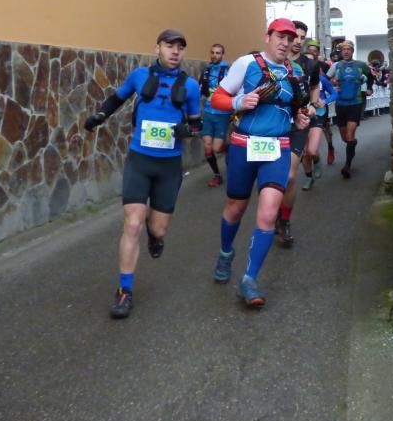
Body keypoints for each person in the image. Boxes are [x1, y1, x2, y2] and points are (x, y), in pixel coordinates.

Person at [84, 29, 202, 320]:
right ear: (157, 48)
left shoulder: (190, 87)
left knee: (157, 229)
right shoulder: (139, 76)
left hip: (168, 166)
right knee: (132, 224)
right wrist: (100, 115)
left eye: (180, 48)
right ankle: (124, 291)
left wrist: (186, 130)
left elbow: (197, 125)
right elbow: (116, 99)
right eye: (169, 46)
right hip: (139, 160)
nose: (175, 51)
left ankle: (156, 234)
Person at [208, 18, 310, 307]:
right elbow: (217, 97)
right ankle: (226, 253)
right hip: (244, 146)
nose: (285, 43)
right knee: (235, 208)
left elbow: (297, 108)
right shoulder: (246, 63)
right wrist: (238, 103)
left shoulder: (296, 71)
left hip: (278, 148)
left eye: (290, 39)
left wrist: (301, 118)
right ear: (268, 37)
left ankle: (250, 279)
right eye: (280, 36)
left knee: (267, 214)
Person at [276, 21, 319, 248]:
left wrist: (313, 105)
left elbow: (315, 87)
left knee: (291, 177)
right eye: (295, 36)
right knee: (273, 176)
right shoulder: (274, 60)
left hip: (298, 124)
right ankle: (272, 210)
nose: (299, 41)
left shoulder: (310, 64)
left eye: (303, 37)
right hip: (273, 125)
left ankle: (284, 220)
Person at [328, 41, 374, 179]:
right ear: (341, 52)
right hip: (340, 104)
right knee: (345, 138)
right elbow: (325, 79)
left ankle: (347, 166)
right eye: (344, 49)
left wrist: (369, 88)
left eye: (349, 49)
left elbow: (371, 76)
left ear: (352, 51)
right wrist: (332, 85)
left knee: (349, 135)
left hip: (356, 102)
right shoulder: (336, 66)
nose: (346, 51)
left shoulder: (361, 65)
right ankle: (352, 143)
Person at [198, 43, 232, 188]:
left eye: (218, 53)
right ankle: (217, 175)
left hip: (223, 114)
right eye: (212, 52)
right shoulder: (206, 70)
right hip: (208, 113)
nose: (215, 55)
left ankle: (229, 148)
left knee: (216, 148)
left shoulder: (228, 70)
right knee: (207, 147)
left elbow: (235, 89)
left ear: (222, 54)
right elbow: (200, 89)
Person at [302, 70, 337, 190]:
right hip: (301, 115)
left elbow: (334, 93)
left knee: (311, 151)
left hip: (318, 114)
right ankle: (308, 178)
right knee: (304, 151)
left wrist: (325, 101)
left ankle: (316, 161)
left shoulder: (321, 79)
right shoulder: (295, 78)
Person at [306, 39, 337, 165]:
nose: (312, 52)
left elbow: (334, 92)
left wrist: (325, 101)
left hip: (320, 108)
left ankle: (330, 147)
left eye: (314, 50)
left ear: (317, 52)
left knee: (325, 129)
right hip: (306, 108)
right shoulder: (299, 70)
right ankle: (314, 158)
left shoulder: (323, 69)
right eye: (310, 50)